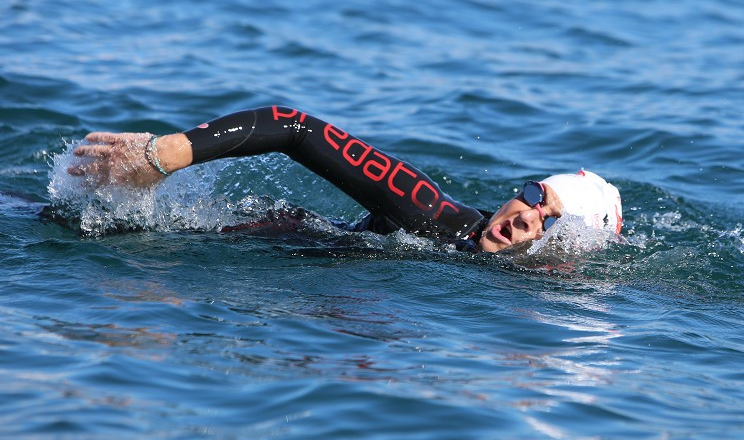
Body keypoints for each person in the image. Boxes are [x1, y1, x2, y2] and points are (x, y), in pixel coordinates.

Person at [68, 105, 622, 253]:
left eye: (547, 222)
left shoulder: (548, 286)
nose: (525, 215)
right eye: (533, 195)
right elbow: (294, 126)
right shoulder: (432, 216)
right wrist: (164, 155)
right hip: (259, 242)